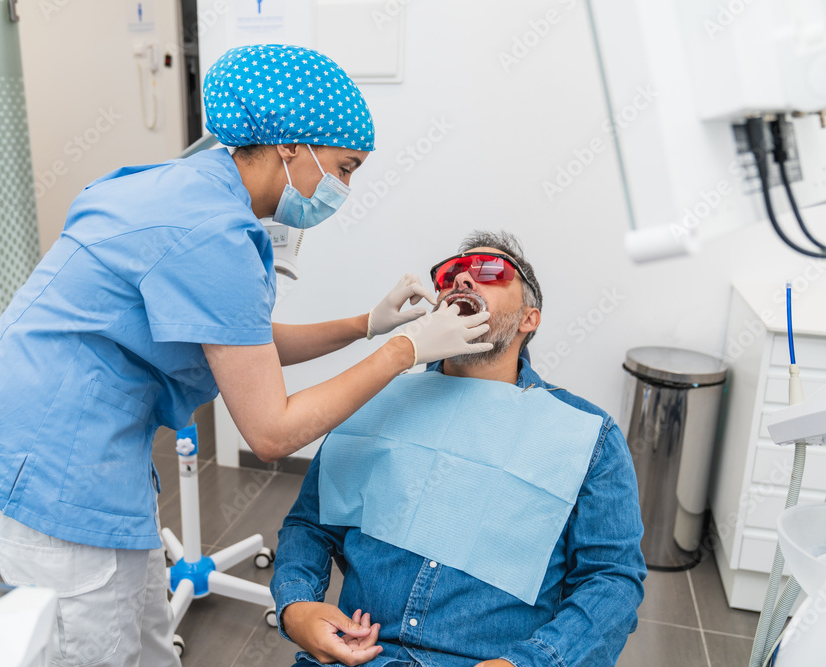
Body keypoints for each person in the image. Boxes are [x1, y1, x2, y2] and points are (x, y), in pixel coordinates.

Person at [0, 45, 493, 667]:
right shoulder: (214, 232)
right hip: (46, 466)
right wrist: (405, 350)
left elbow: (239, 340)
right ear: (290, 146)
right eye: (344, 167)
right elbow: (272, 431)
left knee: (143, 639)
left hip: (47, 436)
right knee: (95, 652)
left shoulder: (186, 185)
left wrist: (365, 325)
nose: (343, 189)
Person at [271, 231, 647, 667]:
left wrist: (530, 662)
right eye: (450, 273)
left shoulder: (584, 435)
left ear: (530, 319)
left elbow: (612, 580)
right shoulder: (376, 399)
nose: (463, 279)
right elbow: (311, 525)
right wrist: (296, 606)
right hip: (358, 655)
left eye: (490, 271)